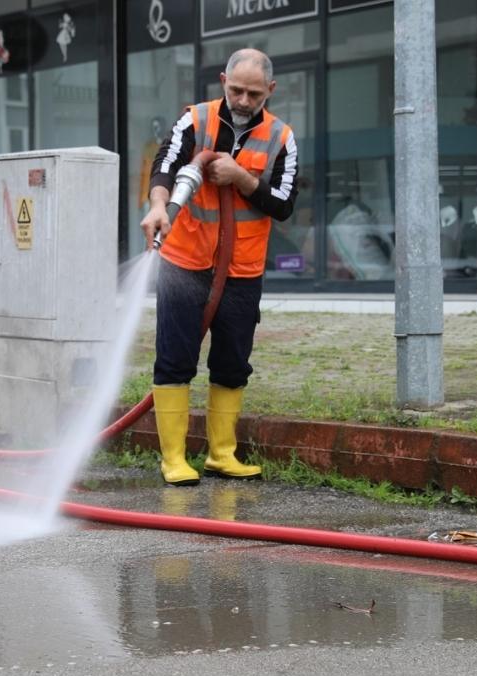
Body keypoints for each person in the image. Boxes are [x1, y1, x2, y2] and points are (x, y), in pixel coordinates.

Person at [139, 48, 299, 487]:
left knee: (232, 364)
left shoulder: (281, 137)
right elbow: (165, 166)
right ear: (223, 80)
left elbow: (284, 205)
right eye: (235, 90)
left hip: (242, 270)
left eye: (252, 93)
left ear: (270, 90)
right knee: (174, 361)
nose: (243, 100)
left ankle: (221, 455)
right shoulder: (197, 120)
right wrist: (159, 207)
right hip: (184, 262)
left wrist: (242, 178)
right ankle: (173, 458)